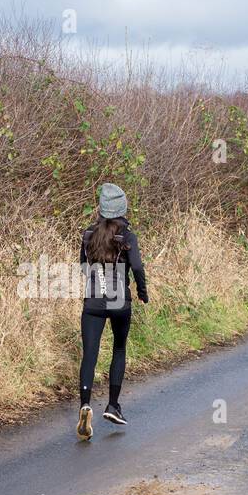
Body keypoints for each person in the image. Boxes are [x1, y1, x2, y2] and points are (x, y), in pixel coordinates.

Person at [77, 182, 148, 440]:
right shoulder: (127, 236)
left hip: (93, 300)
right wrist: (142, 292)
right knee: (118, 349)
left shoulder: (88, 234)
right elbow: (138, 267)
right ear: (122, 207)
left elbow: (84, 268)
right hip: (119, 301)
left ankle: (85, 405)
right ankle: (113, 406)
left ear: (101, 208)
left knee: (90, 354)